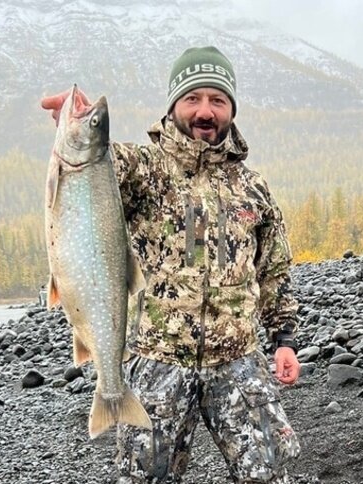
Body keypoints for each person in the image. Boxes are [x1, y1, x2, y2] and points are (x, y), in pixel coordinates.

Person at [41, 46, 301, 483]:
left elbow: (273, 269)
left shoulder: (253, 187)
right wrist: (75, 123)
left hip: (238, 359)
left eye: (217, 100)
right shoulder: (143, 168)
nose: (205, 111)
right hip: (159, 358)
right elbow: (93, 165)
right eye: (193, 98)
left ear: (231, 109)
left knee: (271, 476)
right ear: (174, 105)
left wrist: (284, 339)